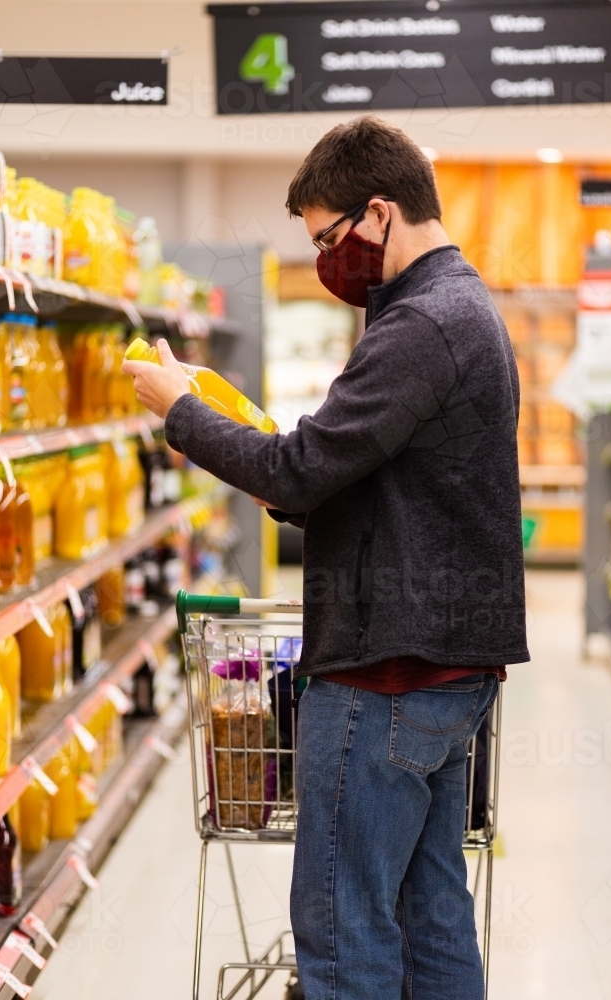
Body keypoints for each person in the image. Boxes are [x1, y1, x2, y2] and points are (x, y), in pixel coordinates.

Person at [123, 115, 529, 1000]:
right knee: (430, 918)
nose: (324, 260)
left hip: (386, 675)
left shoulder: (421, 323)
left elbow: (303, 468)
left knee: (343, 932)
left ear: (378, 214)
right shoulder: (462, 309)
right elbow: (367, 484)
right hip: (446, 669)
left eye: (327, 238)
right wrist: (288, 478)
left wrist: (181, 413)